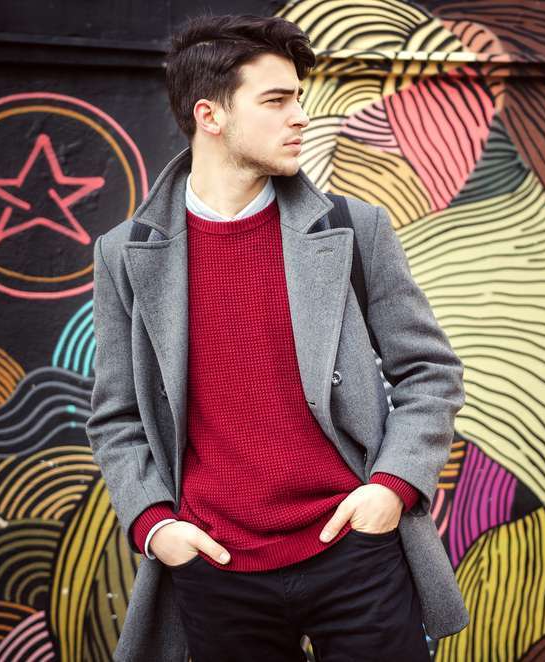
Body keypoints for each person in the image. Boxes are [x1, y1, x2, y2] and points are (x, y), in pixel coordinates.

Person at [85, 13, 468, 662]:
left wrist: (391, 487)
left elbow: (430, 372)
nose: (300, 117)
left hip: (356, 552)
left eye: (300, 98)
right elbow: (115, 416)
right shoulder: (126, 253)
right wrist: (155, 525)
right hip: (215, 566)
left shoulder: (352, 226)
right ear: (210, 116)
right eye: (276, 100)